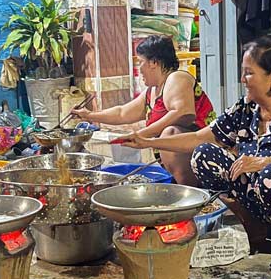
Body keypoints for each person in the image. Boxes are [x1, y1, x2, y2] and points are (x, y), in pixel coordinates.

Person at [120, 34, 271, 274]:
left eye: (249, 73)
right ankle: (253, 224)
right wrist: (147, 141)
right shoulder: (247, 107)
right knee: (204, 155)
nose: (243, 80)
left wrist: (268, 161)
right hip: (265, 198)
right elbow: (199, 138)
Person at [72, 35, 214, 186]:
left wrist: (142, 136)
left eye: (141, 62)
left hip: (204, 154)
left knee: (170, 133)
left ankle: (192, 195)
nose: (139, 69)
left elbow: (182, 112)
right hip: (179, 160)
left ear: (154, 62)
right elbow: (122, 113)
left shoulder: (177, 78)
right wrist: (89, 115)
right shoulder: (151, 91)